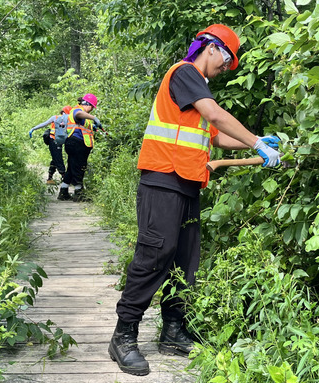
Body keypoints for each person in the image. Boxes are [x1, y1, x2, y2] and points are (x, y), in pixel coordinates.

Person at [107, 24, 281, 376]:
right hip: (162, 181)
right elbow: (216, 116)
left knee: (185, 261)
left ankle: (173, 331)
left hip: (186, 184)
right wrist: (255, 143)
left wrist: (259, 140)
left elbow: (216, 136)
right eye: (226, 60)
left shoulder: (197, 91)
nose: (226, 68)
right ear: (211, 47)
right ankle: (123, 335)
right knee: (155, 255)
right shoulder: (184, 73)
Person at [58, 93, 103, 201]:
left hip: (76, 144)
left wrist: (93, 126)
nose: (92, 110)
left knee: (72, 168)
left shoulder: (84, 116)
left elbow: (81, 126)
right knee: (79, 168)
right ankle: (79, 194)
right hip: (76, 144)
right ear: (87, 104)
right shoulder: (77, 110)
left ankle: (63, 192)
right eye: (92, 107)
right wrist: (94, 118)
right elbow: (78, 114)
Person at [28, 106, 73, 184]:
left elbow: (44, 124)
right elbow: (44, 124)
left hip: (56, 141)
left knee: (55, 159)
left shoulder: (56, 118)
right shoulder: (64, 119)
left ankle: (50, 178)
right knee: (58, 159)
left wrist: (33, 128)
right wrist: (34, 128)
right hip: (54, 140)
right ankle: (65, 178)